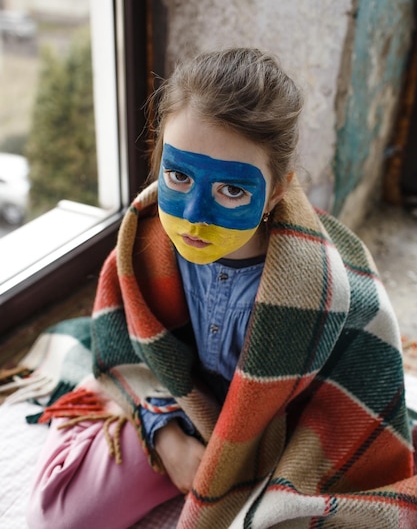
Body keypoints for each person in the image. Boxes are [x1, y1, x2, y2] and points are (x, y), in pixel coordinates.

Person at [22, 48, 417, 528]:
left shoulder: (331, 290)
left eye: (232, 190)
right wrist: (167, 439)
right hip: (181, 404)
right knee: (57, 515)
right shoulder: (144, 243)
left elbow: (354, 402)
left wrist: (243, 466)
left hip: (282, 437)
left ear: (276, 191)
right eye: (178, 175)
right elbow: (129, 342)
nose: (192, 216)